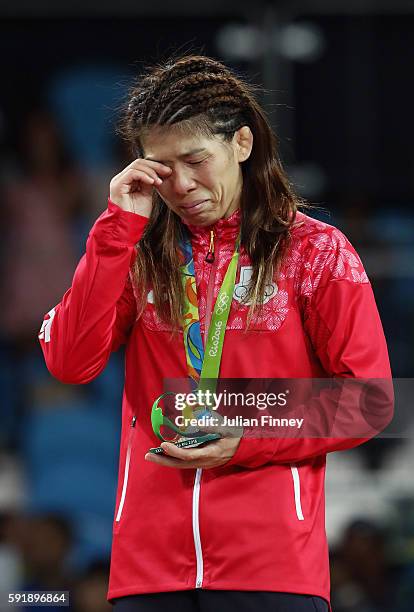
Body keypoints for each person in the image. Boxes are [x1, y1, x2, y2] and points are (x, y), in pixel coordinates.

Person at [39, 55, 392, 612]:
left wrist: (246, 435)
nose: (180, 185)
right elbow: (68, 361)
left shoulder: (315, 253)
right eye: (161, 167)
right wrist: (115, 231)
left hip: (273, 568)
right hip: (149, 571)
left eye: (195, 160)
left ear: (243, 145)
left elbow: (370, 400)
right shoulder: (134, 254)